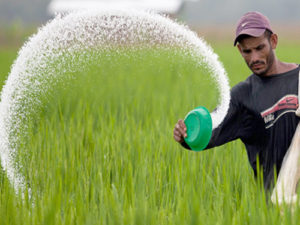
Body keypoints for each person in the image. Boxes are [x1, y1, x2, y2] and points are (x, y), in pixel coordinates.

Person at [173, 11, 299, 189]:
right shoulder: (243, 96)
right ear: (240, 50)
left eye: (259, 48)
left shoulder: (299, 79)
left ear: (273, 41)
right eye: (247, 51)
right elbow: (210, 132)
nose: (254, 58)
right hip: (274, 206)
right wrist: (185, 135)